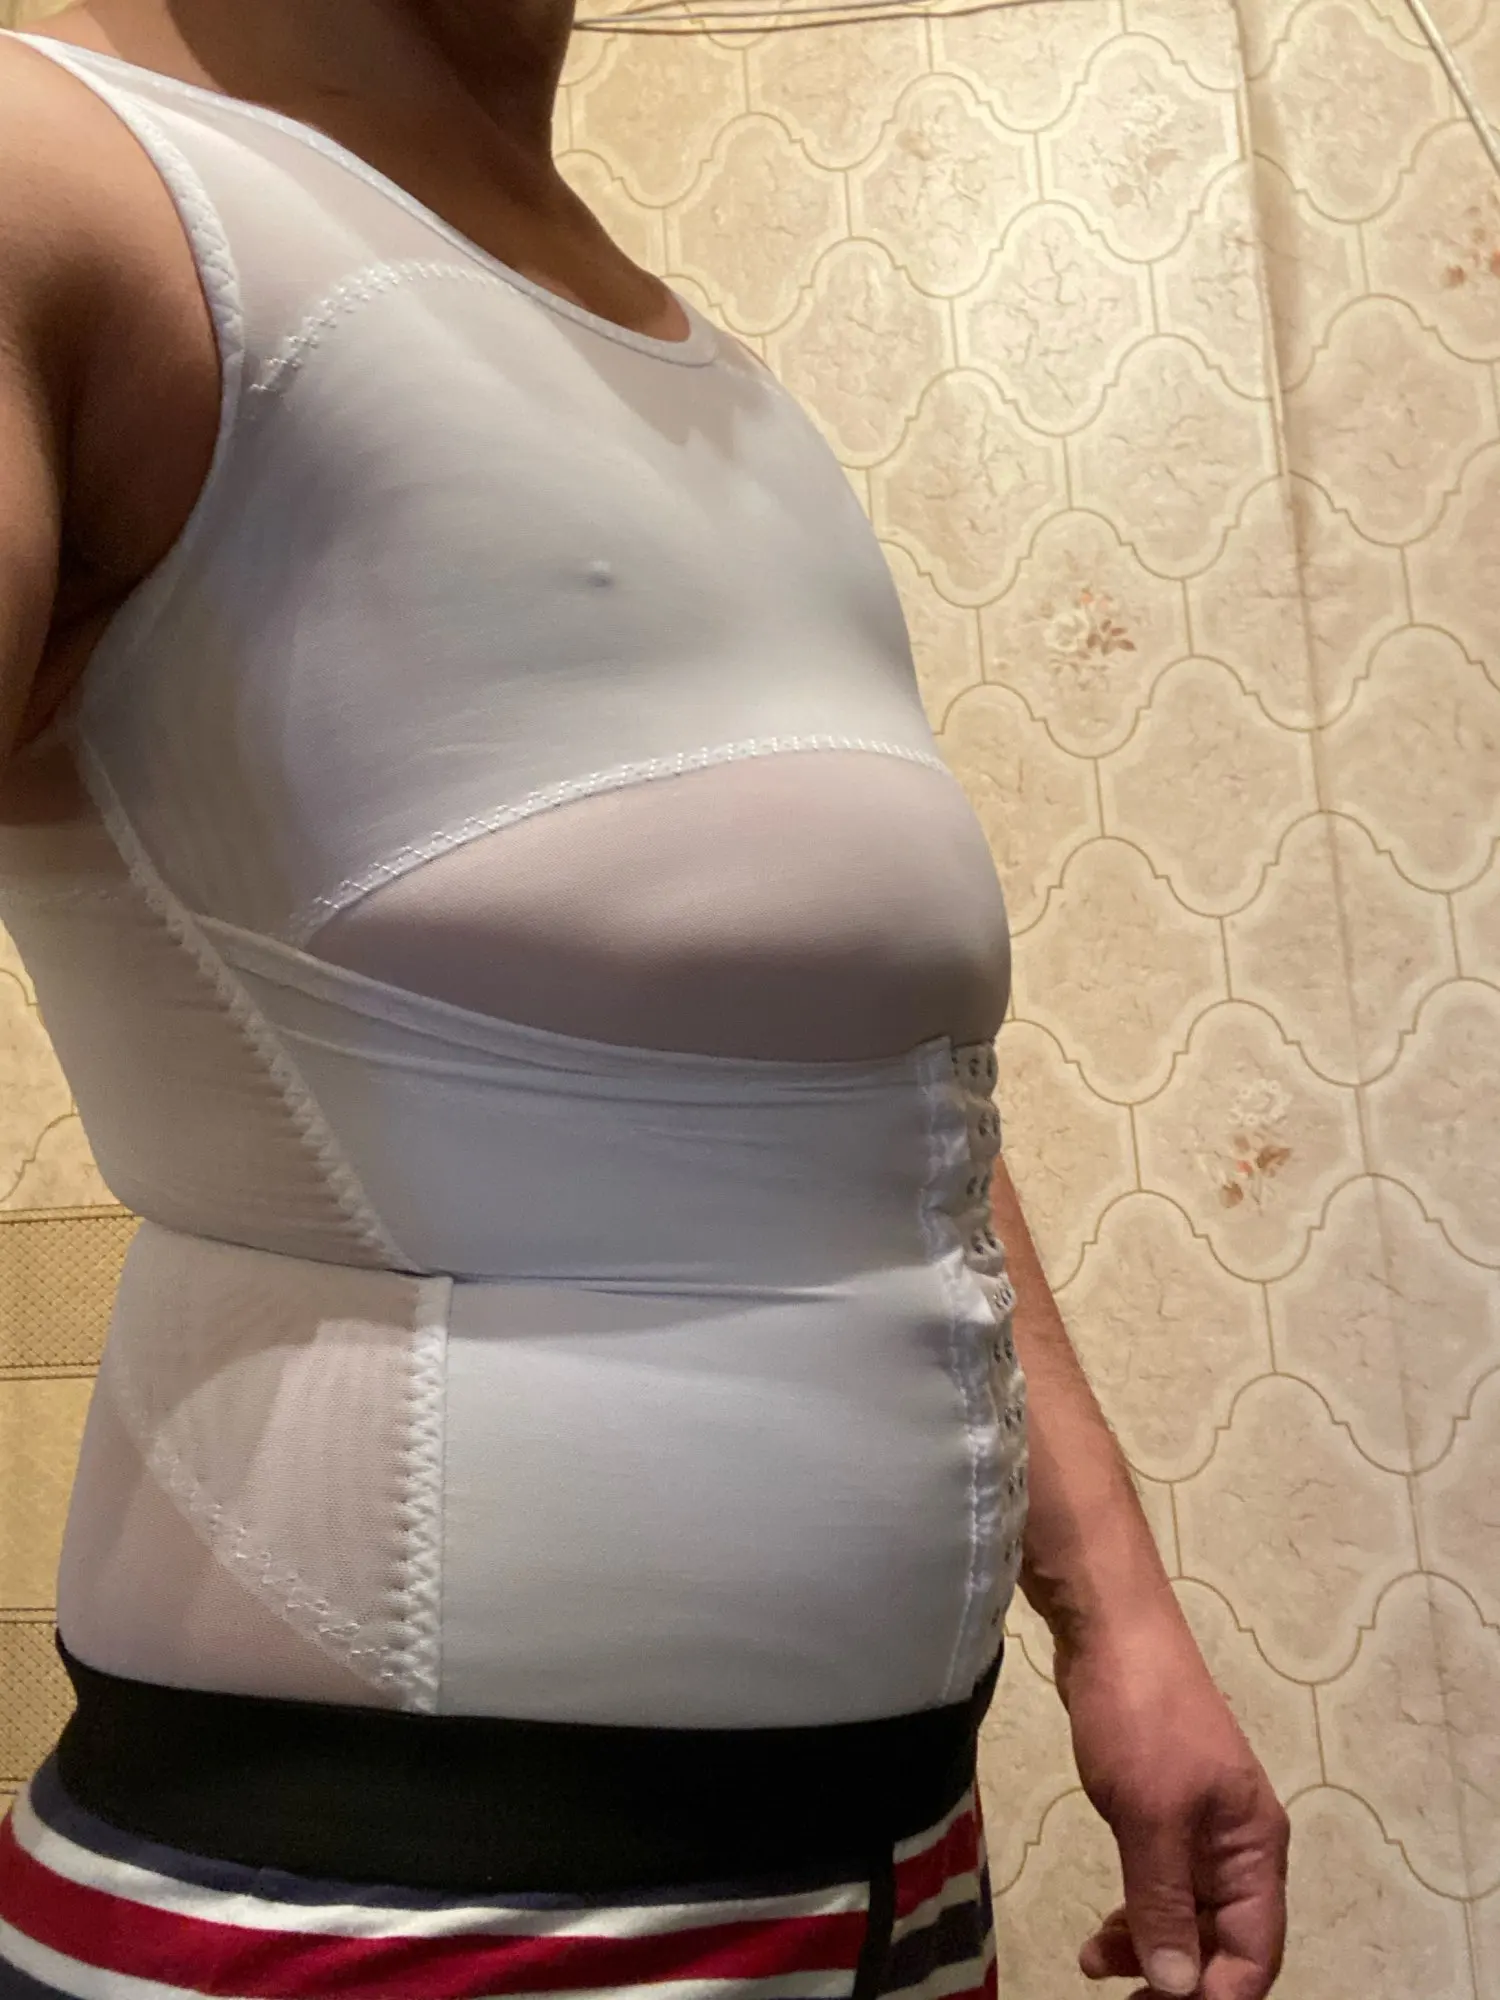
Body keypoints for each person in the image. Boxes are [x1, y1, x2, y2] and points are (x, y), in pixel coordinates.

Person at [0, 3, 1289, 1996]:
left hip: (896, 1869)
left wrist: (1121, 1616)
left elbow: (878, 1103)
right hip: (369, 1919)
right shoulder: (58, 179)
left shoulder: (713, 383)